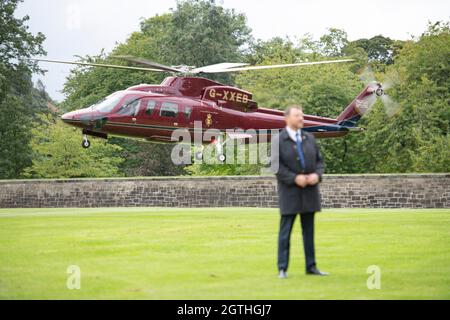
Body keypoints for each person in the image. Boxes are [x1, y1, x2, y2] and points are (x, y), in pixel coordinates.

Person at [272, 105, 328, 278]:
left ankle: (311, 267)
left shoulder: (309, 138)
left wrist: (317, 176)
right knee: (285, 232)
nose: (301, 119)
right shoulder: (278, 140)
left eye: (302, 116)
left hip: (309, 193)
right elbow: (276, 167)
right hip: (290, 193)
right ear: (287, 118)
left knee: (309, 233)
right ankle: (282, 268)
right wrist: (294, 178)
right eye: (297, 116)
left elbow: (320, 162)